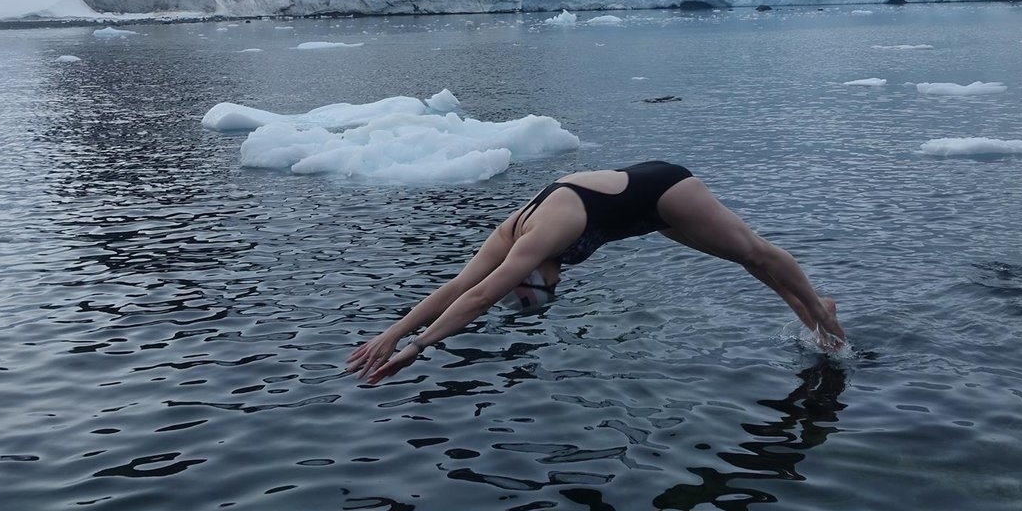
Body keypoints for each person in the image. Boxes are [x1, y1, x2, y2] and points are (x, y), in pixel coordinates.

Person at [346, 160, 845, 384]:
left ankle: (818, 309)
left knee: (753, 251)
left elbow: (476, 301)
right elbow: (458, 286)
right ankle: (810, 313)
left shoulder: (542, 239)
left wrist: (416, 349)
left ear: (531, 278)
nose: (558, 284)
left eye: (546, 291)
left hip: (666, 192)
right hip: (640, 213)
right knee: (744, 261)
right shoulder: (510, 238)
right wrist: (390, 334)